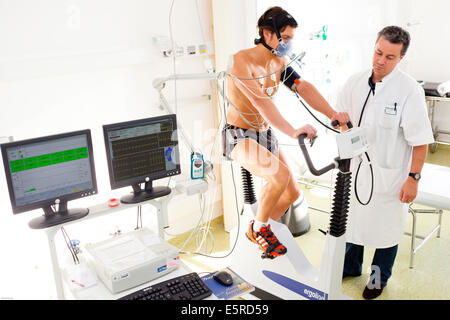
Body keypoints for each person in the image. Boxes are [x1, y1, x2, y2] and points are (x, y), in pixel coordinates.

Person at [222, 6, 350, 259]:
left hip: (265, 133)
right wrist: (292, 131)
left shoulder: (279, 62)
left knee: (292, 193)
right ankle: (260, 229)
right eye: (286, 37)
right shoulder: (241, 60)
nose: (289, 44)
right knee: (278, 176)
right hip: (239, 135)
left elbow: (303, 88)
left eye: (292, 38)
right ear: (267, 33)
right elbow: (262, 102)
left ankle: (257, 227)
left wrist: (332, 113)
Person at [336, 26, 434, 299]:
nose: (381, 60)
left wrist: (413, 178)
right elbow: (340, 121)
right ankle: (351, 266)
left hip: (390, 177)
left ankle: (379, 279)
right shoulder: (354, 82)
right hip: (357, 172)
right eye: (379, 52)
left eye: (390, 57)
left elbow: (421, 140)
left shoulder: (408, 90)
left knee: (386, 232)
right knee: (354, 222)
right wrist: (341, 124)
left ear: (401, 58)